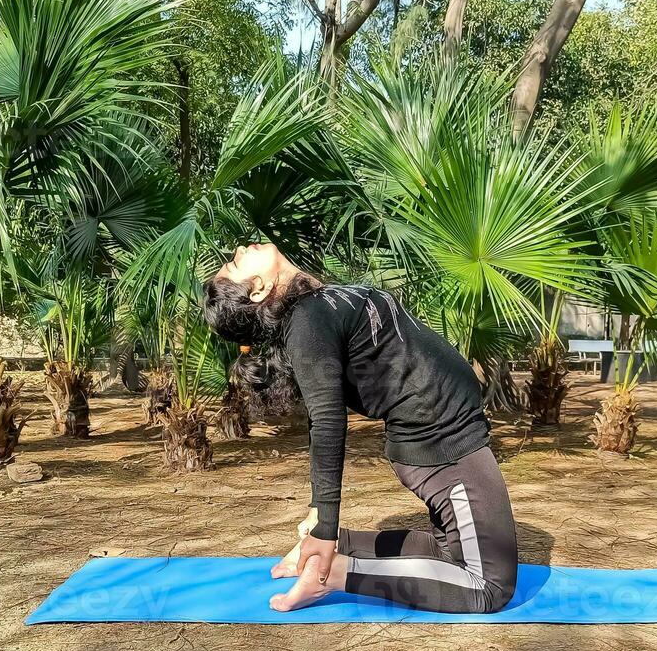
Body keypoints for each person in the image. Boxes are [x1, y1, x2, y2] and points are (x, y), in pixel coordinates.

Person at [203, 242, 518, 614]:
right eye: (236, 262)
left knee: (446, 552)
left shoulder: (317, 302)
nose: (240, 248)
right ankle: (330, 574)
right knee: (488, 587)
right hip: (442, 445)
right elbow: (324, 419)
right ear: (258, 289)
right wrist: (325, 526)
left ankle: (330, 550)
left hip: (449, 436)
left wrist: (321, 522)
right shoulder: (305, 322)